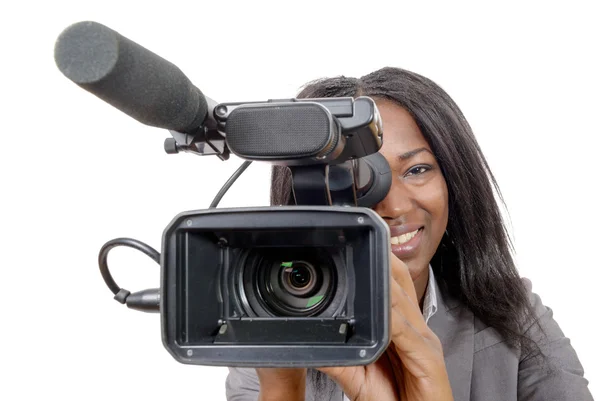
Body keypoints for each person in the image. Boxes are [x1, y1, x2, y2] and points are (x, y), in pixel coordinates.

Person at [225, 67, 593, 401]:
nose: (394, 207)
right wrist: (282, 388)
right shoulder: (264, 326)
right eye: (355, 181)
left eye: (417, 169)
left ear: (453, 180)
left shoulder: (517, 318)